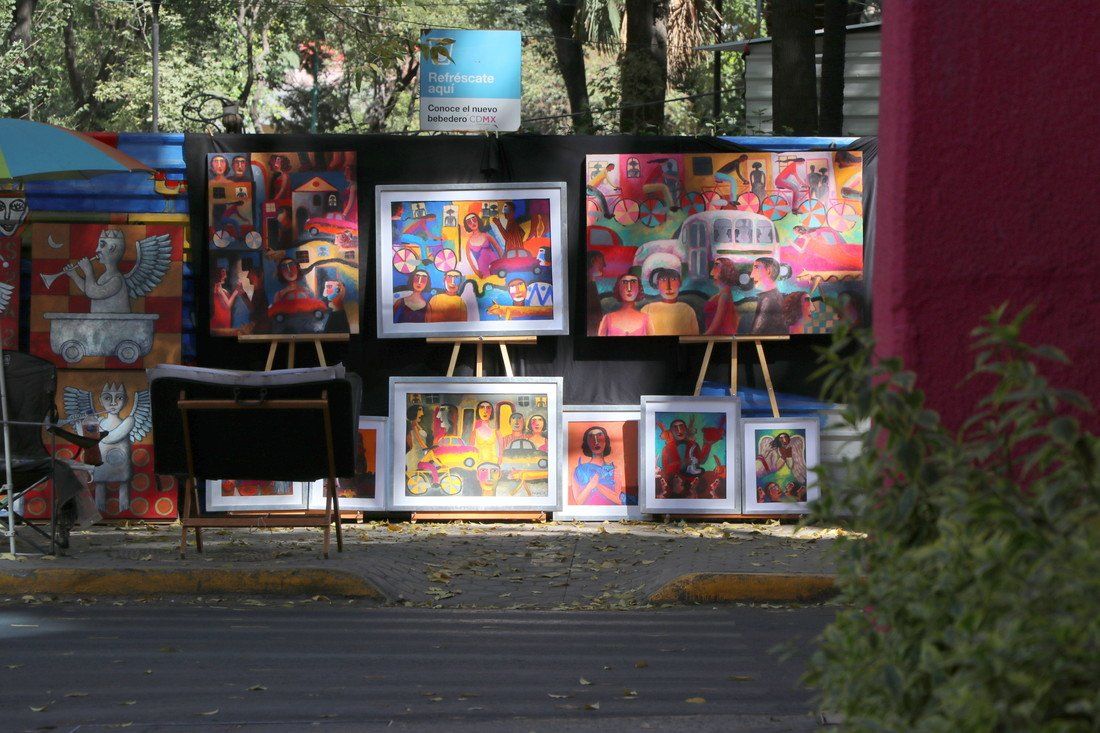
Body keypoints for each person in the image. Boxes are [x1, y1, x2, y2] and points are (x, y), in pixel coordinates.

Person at [571, 426, 624, 506]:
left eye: (599, 435)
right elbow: (578, 502)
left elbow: (618, 500)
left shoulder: (614, 469)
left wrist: (598, 486)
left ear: (605, 441)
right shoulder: (578, 470)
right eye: (591, 437)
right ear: (587, 443)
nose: (596, 441)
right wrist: (590, 486)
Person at [640, 267, 699, 335]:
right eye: (663, 280)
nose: (668, 287)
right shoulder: (647, 309)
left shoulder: (687, 309)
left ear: (680, 283)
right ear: (657, 284)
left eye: (673, 280)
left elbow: (694, 336)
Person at [749, 257, 787, 334]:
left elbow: (755, 334)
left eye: (756, 268)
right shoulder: (775, 295)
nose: (751, 275)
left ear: (768, 271)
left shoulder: (767, 299)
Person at [703, 258, 739, 335]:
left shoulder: (725, 294)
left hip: (721, 335)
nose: (712, 272)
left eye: (716, 266)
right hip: (719, 335)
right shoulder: (723, 293)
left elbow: (717, 321)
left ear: (725, 271)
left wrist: (704, 336)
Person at [463, 213, 502, 278]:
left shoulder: (486, 235)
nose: (473, 223)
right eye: (469, 222)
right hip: (483, 270)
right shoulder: (469, 242)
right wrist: (476, 271)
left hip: (496, 265)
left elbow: (498, 248)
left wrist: (502, 263)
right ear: (467, 225)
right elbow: (469, 259)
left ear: (478, 220)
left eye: (474, 220)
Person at [211, 267, 240, 332]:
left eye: (225, 273)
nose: (225, 276)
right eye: (223, 273)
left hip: (224, 321)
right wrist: (235, 292)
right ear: (218, 275)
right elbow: (228, 305)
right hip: (220, 323)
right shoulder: (218, 288)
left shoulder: (221, 289)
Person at [472, 401, 500, 465]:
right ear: (478, 411)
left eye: (488, 408)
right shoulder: (475, 426)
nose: (485, 411)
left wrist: (500, 457)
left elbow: (501, 444)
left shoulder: (495, 426)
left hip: (493, 461)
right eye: (482, 407)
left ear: (491, 411)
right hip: (479, 461)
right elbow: (472, 444)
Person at [406, 404, 429, 479]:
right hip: (415, 454)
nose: (422, 413)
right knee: (415, 473)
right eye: (420, 410)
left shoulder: (416, 425)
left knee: (420, 473)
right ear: (414, 412)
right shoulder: (413, 425)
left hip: (420, 453)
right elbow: (420, 441)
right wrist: (428, 449)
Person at [586, 251, 606, 335]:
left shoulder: (591, 283)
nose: (604, 265)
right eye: (601, 262)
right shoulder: (589, 285)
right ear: (592, 261)